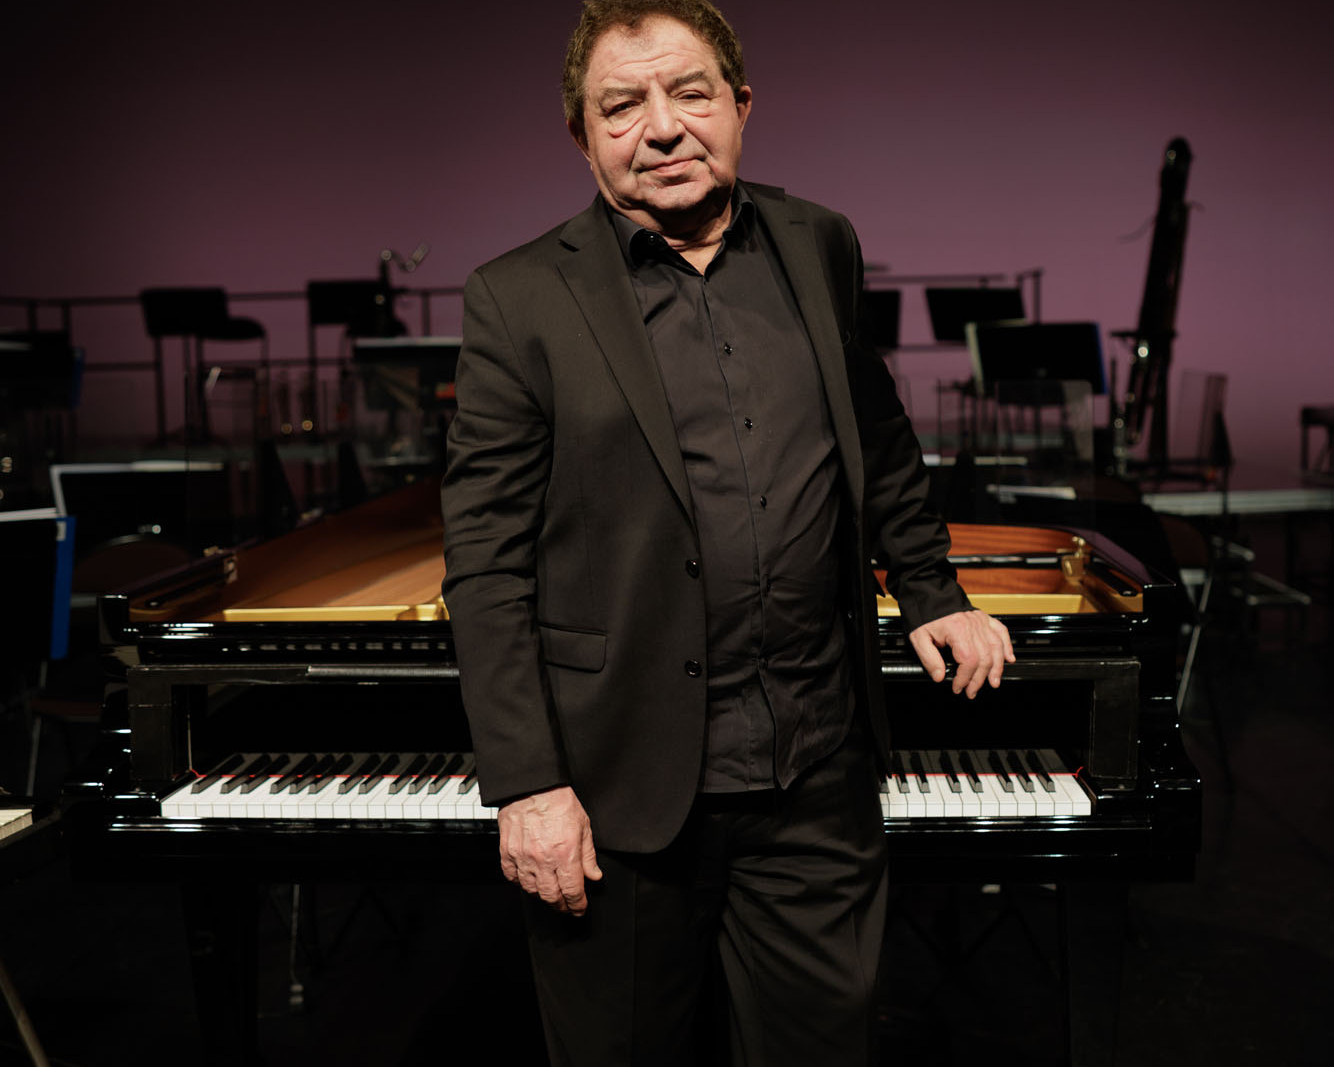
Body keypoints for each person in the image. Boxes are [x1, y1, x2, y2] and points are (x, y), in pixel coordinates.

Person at [440, 1, 1014, 1063]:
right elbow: (484, 563)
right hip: (616, 795)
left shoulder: (819, 243)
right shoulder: (517, 299)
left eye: (690, 92)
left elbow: (876, 437)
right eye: (622, 106)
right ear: (581, 135)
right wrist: (526, 783)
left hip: (815, 776)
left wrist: (932, 588)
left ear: (741, 105)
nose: (661, 127)